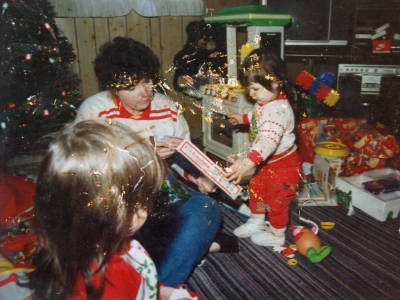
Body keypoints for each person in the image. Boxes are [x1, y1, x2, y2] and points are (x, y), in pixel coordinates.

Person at [74, 37, 236, 287]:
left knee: (207, 209)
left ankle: (158, 286)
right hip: (115, 189)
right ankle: (192, 249)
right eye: (132, 87)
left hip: (163, 185)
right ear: (113, 87)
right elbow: (86, 165)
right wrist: (145, 154)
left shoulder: (168, 108)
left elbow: (180, 157)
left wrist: (198, 178)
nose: (145, 92)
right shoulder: (94, 110)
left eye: (147, 81)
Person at [15, 121, 166, 298]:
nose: (146, 210)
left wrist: (159, 289)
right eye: (139, 203)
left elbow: (141, 275)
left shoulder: (78, 243)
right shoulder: (112, 277)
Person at [227, 49, 301, 247]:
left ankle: (277, 235)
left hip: (284, 167)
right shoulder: (266, 101)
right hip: (267, 165)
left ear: (276, 81)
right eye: (249, 89)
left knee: (277, 202)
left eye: (255, 89)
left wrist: (245, 163)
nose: (251, 95)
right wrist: (243, 119)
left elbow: (268, 141)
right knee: (257, 191)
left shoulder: (278, 110)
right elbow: (259, 117)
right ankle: (257, 221)